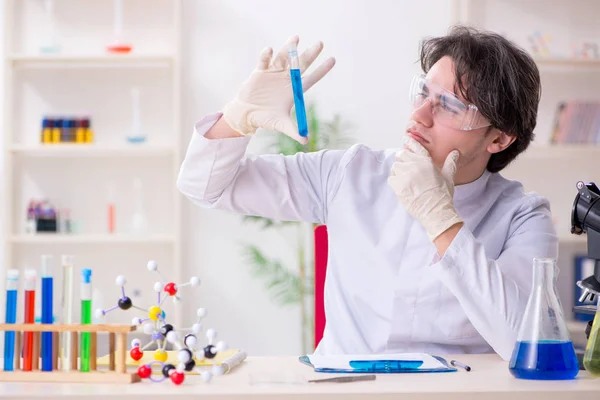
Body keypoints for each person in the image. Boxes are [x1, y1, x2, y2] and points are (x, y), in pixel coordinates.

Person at [177, 26, 557, 360]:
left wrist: (440, 219)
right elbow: (205, 186)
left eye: (449, 106)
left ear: (499, 137)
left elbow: (528, 344)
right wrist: (237, 117)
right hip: (343, 387)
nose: (419, 115)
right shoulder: (352, 173)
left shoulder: (523, 217)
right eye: (422, 93)